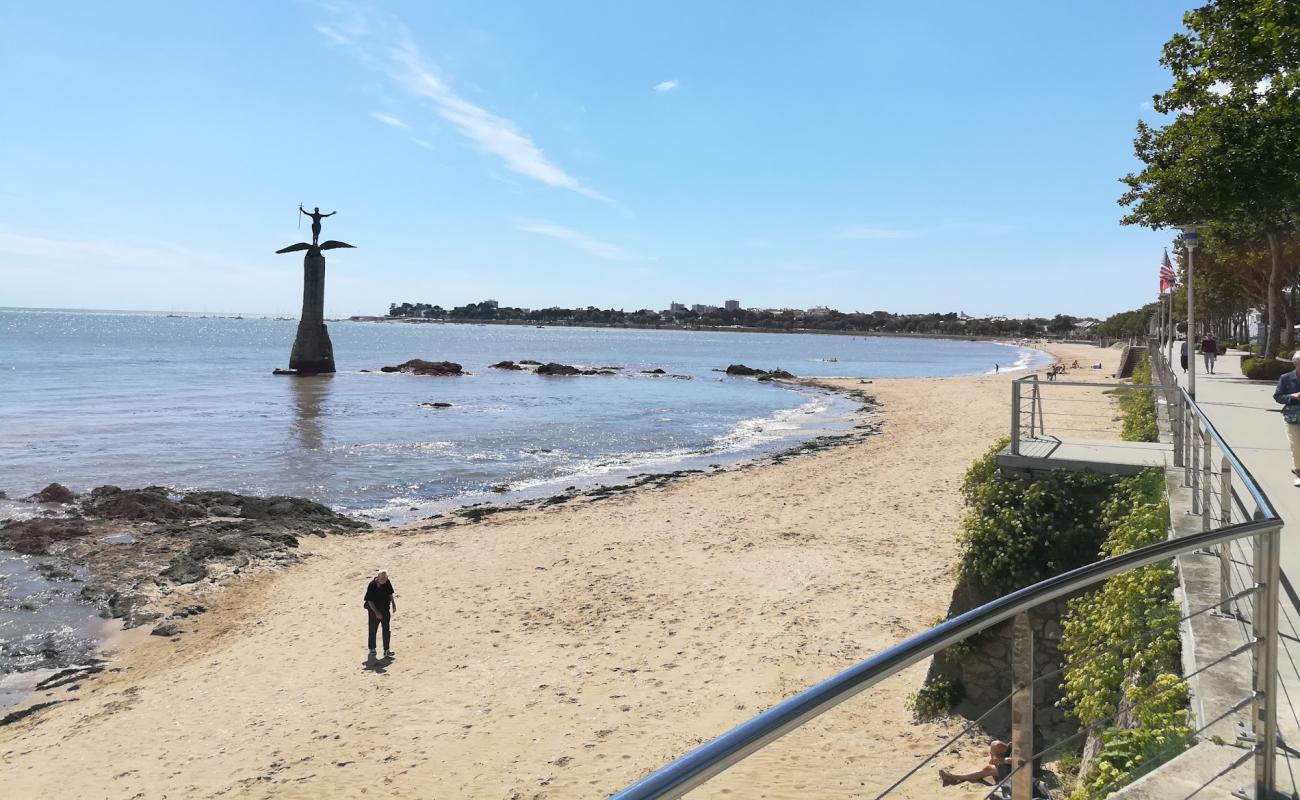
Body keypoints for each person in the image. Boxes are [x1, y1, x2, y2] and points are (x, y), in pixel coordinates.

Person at [1273, 354, 1300, 488]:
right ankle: (1298, 473)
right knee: (1296, 446)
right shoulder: (1286, 378)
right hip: (1292, 416)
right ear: (1295, 363)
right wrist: (1292, 396)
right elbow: (1278, 397)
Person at [940, 740, 1010, 786]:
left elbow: (1019, 761)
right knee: (995, 744)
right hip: (1015, 755)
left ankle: (954, 777)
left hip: (1015, 766)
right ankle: (995, 767)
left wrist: (1004, 760)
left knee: (988, 769)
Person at [364, 569, 397, 659]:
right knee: (372, 630)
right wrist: (376, 612)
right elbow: (369, 600)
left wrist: (393, 603)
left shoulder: (387, 582)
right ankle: (372, 649)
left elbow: (390, 593)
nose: (383, 581)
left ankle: (386, 650)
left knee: (386, 630)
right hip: (374, 611)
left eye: (385, 579)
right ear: (377, 577)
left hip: (385, 609)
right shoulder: (372, 585)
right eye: (382, 579)